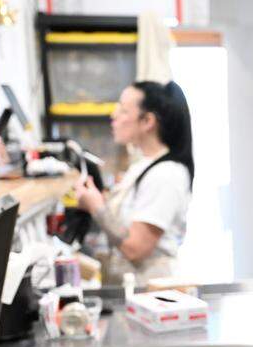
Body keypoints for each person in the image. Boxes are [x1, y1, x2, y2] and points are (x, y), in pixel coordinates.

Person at [74, 80, 195, 283]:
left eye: (123, 110)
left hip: (150, 292)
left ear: (147, 121)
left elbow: (136, 248)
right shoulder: (143, 166)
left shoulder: (166, 174)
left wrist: (96, 207)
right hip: (132, 289)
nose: (114, 116)